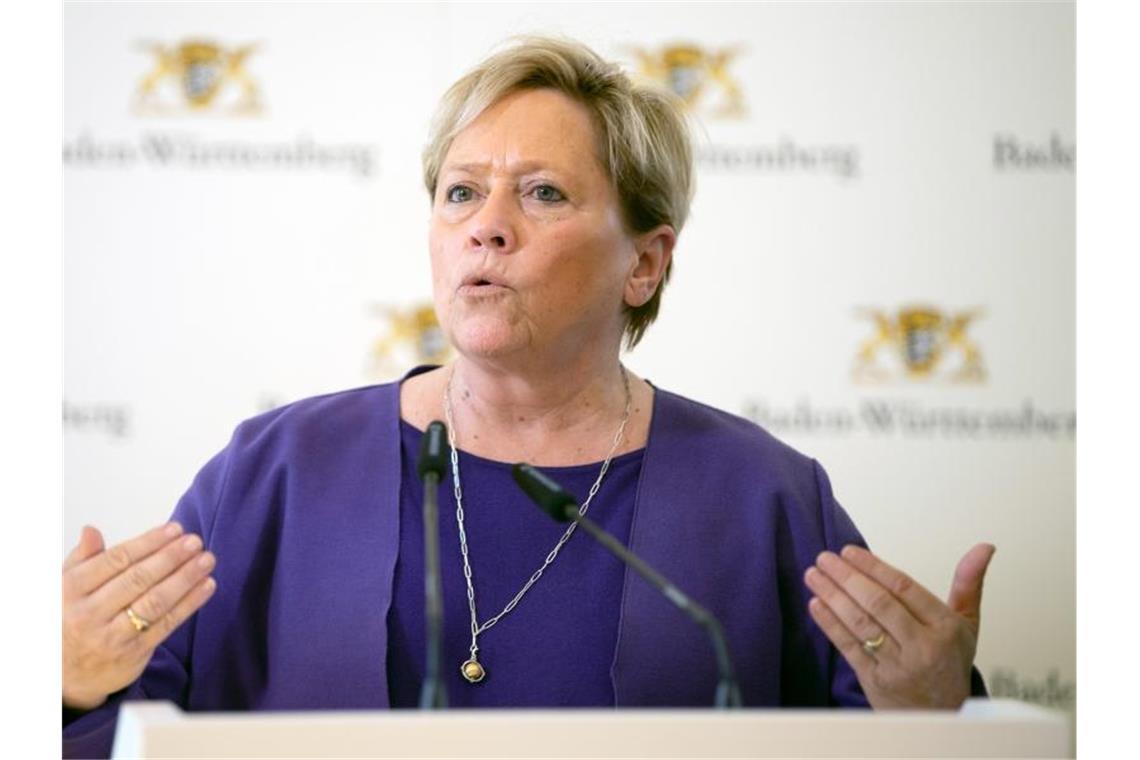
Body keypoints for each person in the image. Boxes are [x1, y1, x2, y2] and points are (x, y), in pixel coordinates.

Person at [62, 36, 994, 757]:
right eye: (461, 194)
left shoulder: (761, 498)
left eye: (543, 194)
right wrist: (62, 688)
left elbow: (898, 732)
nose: (488, 229)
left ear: (645, 261)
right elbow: (125, 733)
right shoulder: (276, 471)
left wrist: (941, 720)